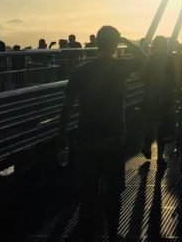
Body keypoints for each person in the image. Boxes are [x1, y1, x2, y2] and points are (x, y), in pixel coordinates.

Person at [58, 26, 146, 242]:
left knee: (87, 193)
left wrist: (62, 134)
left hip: (85, 137)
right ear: (115, 44)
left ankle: (87, 234)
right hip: (113, 136)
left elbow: (67, 106)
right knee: (113, 190)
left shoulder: (80, 71)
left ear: (97, 43)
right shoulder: (120, 68)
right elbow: (143, 60)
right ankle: (113, 234)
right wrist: (127, 40)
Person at [140, 36, 175, 166]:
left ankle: (146, 145)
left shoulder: (150, 59)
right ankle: (160, 156)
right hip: (165, 96)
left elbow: (142, 77)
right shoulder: (170, 59)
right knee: (162, 127)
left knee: (150, 123)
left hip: (150, 95)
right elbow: (176, 77)